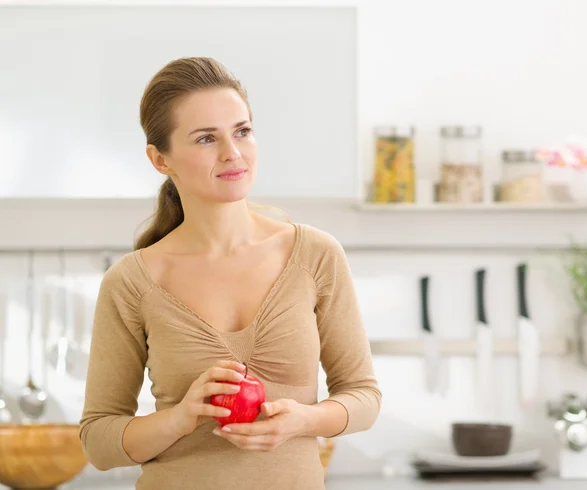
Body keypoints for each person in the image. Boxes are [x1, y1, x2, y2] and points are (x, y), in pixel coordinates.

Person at [79, 57, 381, 490]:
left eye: (242, 131)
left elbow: (364, 396)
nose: (232, 153)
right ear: (160, 159)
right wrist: (179, 419)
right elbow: (97, 441)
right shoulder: (132, 282)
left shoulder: (315, 255)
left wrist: (303, 420)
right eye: (206, 138)